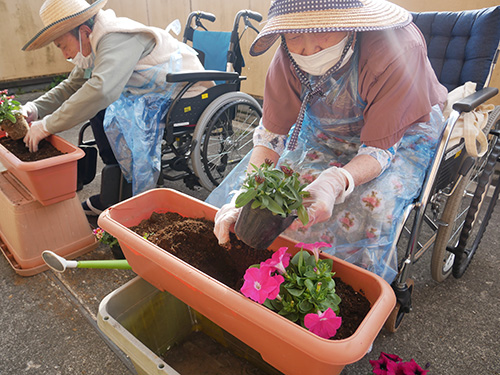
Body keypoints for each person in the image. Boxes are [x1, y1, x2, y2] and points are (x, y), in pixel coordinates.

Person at [208, 0, 448, 283]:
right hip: (326, 130)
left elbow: (380, 147)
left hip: (400, 132)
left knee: (373, 202)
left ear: (350, 23)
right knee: (287, 188)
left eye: (323, 31)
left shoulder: (396, 50)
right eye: (295, 36)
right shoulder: (287, 58)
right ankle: (278, 272)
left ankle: (348, 281)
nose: (309, 49)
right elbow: (273, 134)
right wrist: (247, 193)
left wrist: (338, 180)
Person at [21, 0, 210, 215]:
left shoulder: (115, 37)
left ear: (83, 31)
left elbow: (101, 90)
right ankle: (119, 180)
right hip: (151, 93)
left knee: (102, 107)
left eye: (63, 45)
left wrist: (46, 126)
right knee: (98, 108)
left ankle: (123, 187)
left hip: (183, 93)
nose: (65, 54)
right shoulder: (93, 41)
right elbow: (73, 85)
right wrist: (35, 108)